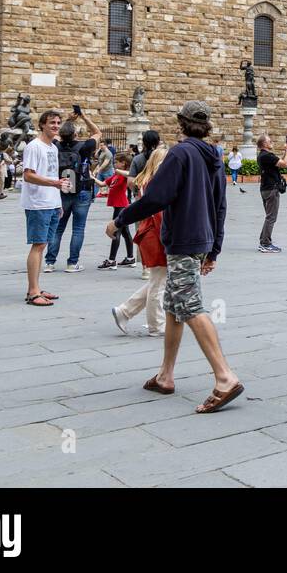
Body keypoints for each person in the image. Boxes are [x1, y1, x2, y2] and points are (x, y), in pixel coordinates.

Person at [108, 100, 242, 414]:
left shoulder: (180, 153)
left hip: (183, 239)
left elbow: (156, 197)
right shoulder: (214, 157)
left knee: (190, 305)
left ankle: (225, 377)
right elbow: (221, 206)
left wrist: (120, 220)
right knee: (173, 304)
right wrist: (214, 248)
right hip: (200, 239)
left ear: (180, 123)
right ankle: (165, 375)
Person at [111, 146, 170, 337]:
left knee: (158, 279)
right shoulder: (157, 183)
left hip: (151, 232)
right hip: (156, 233)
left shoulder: (148, 181)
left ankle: (125, 311)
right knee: (159, 282)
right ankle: (156, 325)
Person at [20, 111, 70, 306]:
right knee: (38, 245)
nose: (56, 126)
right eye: (52, 122)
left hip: (50, 202)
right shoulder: (34, 146)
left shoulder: (52, 147)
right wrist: (54, 184)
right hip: (37, 202)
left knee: (43, 245)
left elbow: (51, 175)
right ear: (42, 125)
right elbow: (28, 175)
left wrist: (57, 202)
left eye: (58, 122)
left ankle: (37, 288)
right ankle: (33, 292)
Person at [44, 109, 103, 272]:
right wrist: (83, 116)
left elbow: (53, 133)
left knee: (58, 227)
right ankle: (72, 263)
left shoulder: (56, 145)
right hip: (82, 190)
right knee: (78, 228)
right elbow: (97, 132)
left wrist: (67, 122)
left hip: (62, 190)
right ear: (76, 134)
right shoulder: (84, 147)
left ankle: (49, 263)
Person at [95, 151, 135, 269]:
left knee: (115, 231)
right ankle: (130, 258)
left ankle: (111, 260)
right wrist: (92, 177)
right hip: (117, 206)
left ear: (123, 163)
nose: (114, 164)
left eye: (116, 162)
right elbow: (103, 184)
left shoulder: (123, 174)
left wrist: (119, 171)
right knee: (125, 232)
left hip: (121, 206)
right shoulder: (115, 175)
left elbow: (132, 175)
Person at [256, 134, 287, 253]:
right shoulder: (267, 156)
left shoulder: (263, 156)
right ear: (264, 144)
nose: (272, 142)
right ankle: (265, 243)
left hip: (265, 189)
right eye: (270, 141)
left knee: (269, 217)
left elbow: (280, 162)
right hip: (271, 190)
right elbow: (285, 164)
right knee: (271, 217)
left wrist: (286, 151)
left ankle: (263, 241)